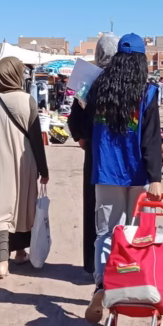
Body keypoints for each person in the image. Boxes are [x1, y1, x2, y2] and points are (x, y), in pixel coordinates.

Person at [84, 33, 162, 322]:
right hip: (138, 173)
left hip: (106, 172)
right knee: (135, 233)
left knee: (106, 233)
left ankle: (103, 285)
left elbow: (81, 125)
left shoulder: (97, 88)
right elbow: (150, 138)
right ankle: (131, 283)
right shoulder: (148, 92)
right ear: (142, 60)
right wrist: (156, 177)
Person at [0, 57, 49, 278]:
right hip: (24, 165)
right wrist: (43, 170)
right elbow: (36, 140)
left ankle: (2, 262)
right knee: (21, 208)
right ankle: (20, 252)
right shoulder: (27, 100)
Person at [68, 33, 118, 274]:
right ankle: (118, 264)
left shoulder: (87, 81)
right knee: (117, 212)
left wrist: (82, 137)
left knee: (93, 207)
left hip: (94, 154)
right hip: (119, 156)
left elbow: (75, 120)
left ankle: (93, 263)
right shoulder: (125, 80)